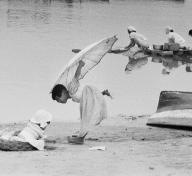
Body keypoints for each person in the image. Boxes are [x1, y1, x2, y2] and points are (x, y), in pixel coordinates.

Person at [51, 60, 111, 144]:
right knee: (85, 118)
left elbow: (76, 77)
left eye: (58, 99)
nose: (59, 102)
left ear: (63, 93)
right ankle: (81, 136)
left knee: (85, 119)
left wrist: (80, 65)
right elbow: (90, 99)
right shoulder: (73, 98)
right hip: (89, 95)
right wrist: (102, 93)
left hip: (88, 91)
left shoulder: (71, 89)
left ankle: (81, 138)